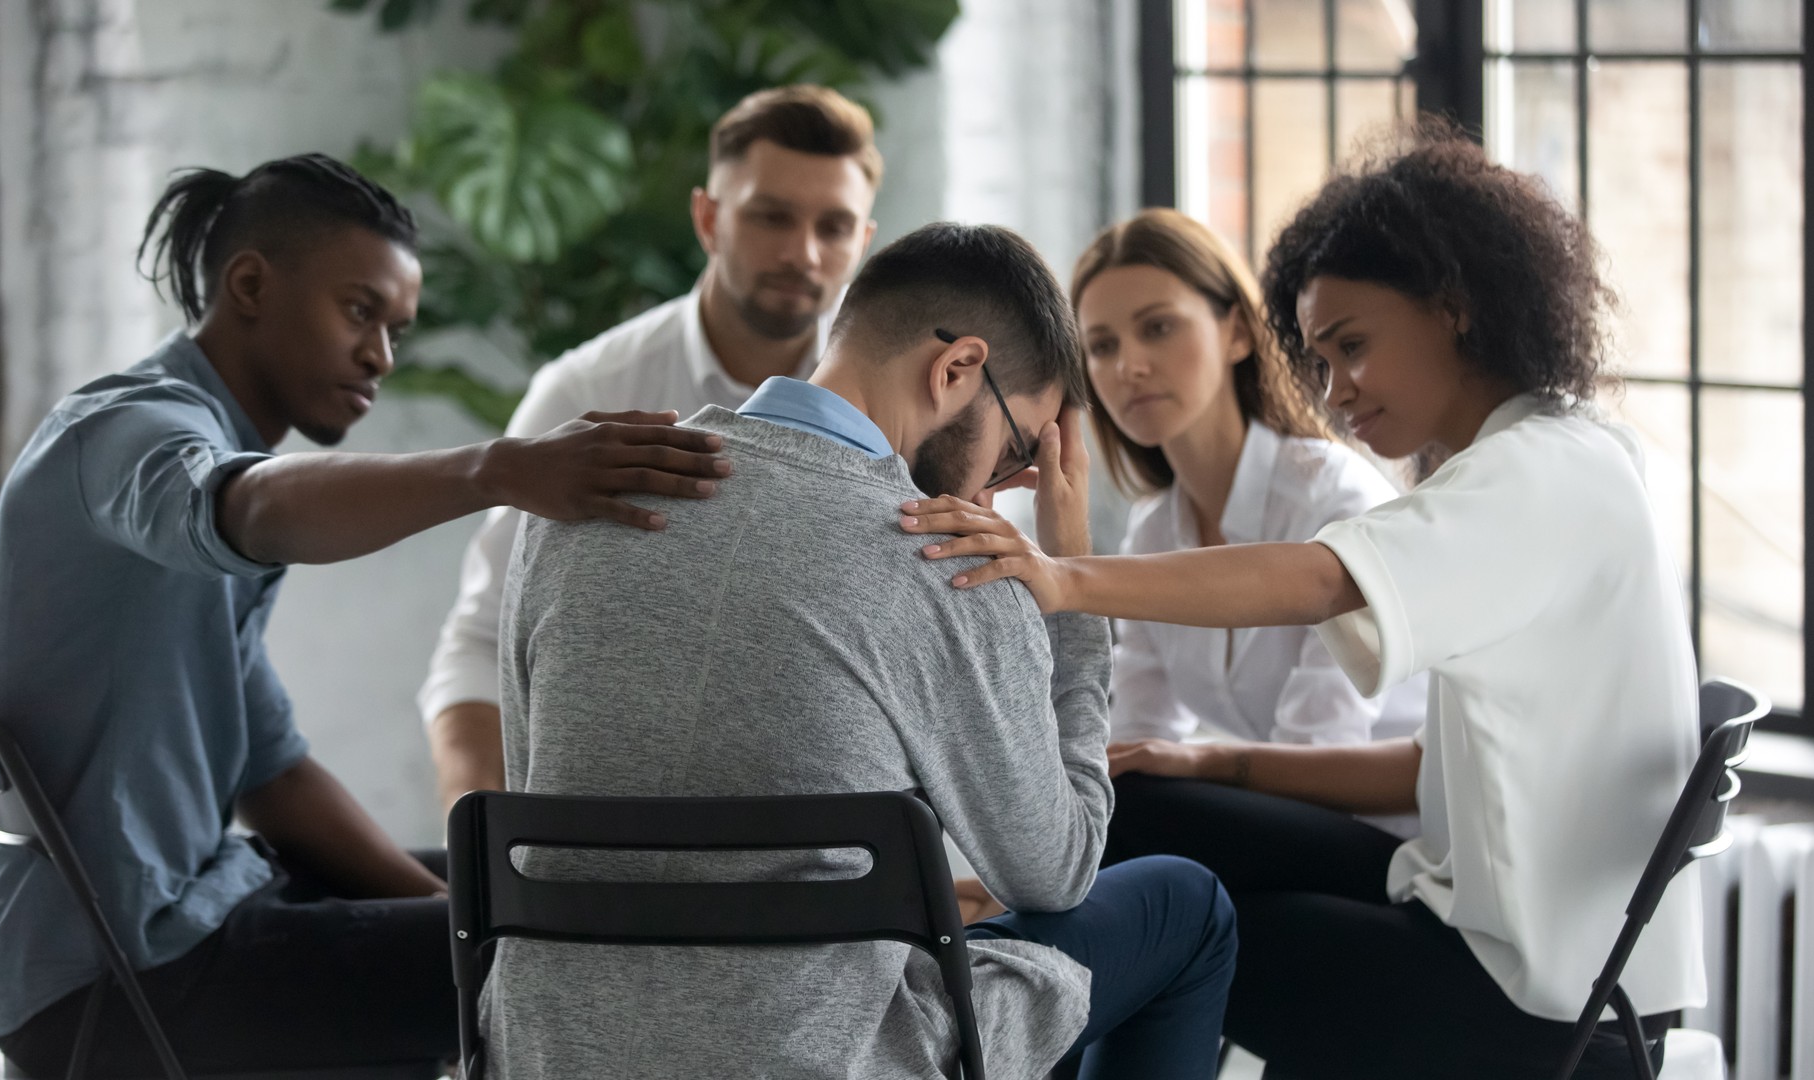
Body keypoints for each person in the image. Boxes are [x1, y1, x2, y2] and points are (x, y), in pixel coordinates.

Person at [903, 127, 1702, 1078]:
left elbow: (1320, 578)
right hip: (1483, 925)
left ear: (1454, 307)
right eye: (1320, 361)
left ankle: (932, 1020)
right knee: (1149, 830)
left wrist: (1064, 575)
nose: (1336, 391)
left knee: (1169, 925)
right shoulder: (1551, 457)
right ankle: (957, 990)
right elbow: (1428, 770)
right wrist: (1207, 760)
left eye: (1353, 347)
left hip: (1538, 1004)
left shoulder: (1532, 474)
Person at [0, 154, 727, 1075]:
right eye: (360, 312)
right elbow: (244, 507)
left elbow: (275, 779)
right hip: (112, 975)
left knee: (552, 890)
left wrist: (476, 925)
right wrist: (498, 469)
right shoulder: (131, 430)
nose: (381, 357)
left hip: (202, 911)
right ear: (249, 284)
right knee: (592, 956)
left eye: (397, 329)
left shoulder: (208, 463)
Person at [490, 223, 1237, 1080]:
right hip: (821, 1059)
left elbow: (544, 792)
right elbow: (1057, 871)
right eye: (1021, 447)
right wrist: (1070, 592)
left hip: (547, 1052)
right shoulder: (945, 562)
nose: (999, 490)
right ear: (957, 369)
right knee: (1186, 904)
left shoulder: (581, 499)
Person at [420, 84, 882, 812]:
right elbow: (481, 641)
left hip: (831, 830)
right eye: (771, 217)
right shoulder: (586, 392)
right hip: (609, 825)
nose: (804, 252)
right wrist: (483, 859)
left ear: (865, 240)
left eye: (835, 226)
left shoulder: (895, 406)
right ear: (708, 218)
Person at [1070, 207, 1424, 840]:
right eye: (1102, 346)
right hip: (1287, 835)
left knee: (1144, 820)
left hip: (1394, 843)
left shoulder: (1333, 502)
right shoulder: (1153, 531)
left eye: (1157, 328)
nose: (1129, 366)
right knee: (1120, 805)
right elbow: (1135, 737)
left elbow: (1321, 743)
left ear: (1236, 331)